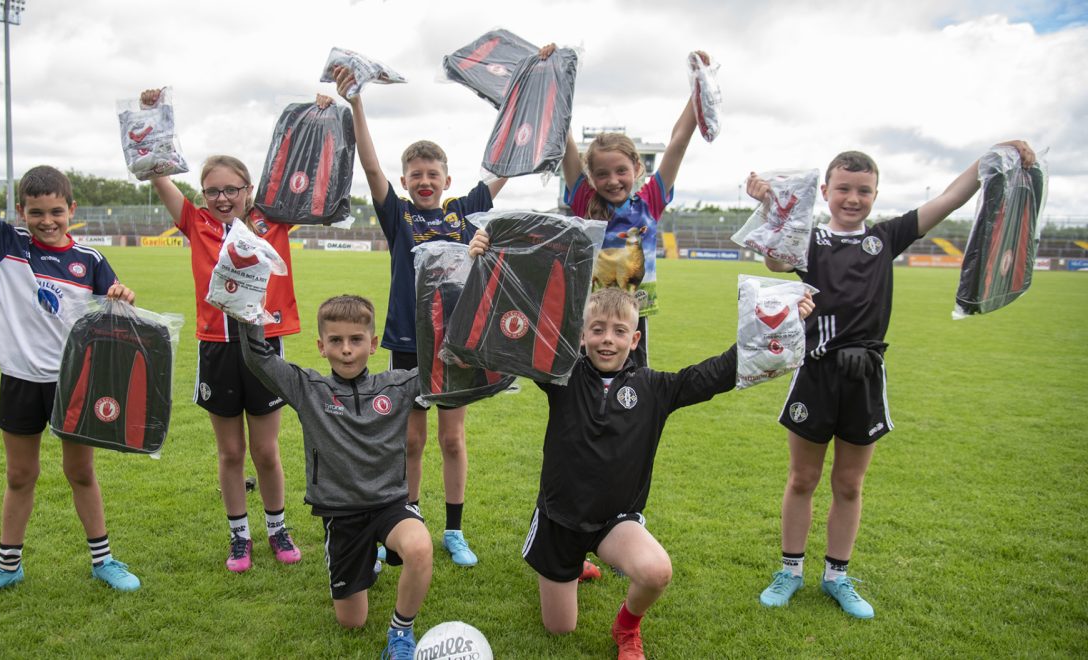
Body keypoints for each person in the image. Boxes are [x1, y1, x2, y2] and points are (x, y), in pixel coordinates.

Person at [471, 224, 814, 657]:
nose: (607, 339)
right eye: (596, 329)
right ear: (581, 334)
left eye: (618, 331)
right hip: (560, 519)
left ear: (634, 340)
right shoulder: (562, 375)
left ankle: (626, 628)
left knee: (655, 572)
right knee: (560, 630)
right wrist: (484, 259)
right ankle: (574, 564)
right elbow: (512, 325)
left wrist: (785, 319)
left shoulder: (656, 387)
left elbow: (717, 373)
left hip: (616, 520)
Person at [749, 140, 1037, 619]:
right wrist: (769, 205)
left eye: (863, 190)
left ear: (876, 195)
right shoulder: (810, 240)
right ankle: (790, 571)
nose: (853, 198)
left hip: (865, 376)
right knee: (803, 478)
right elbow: (774, 262)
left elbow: (949, 198)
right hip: (816, 375)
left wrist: (991, 159)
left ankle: (838, 576)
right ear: (825, 190)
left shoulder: (884, 238)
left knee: (849, 484)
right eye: (843, 188)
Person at [328, 46, 554, 567]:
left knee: (453, 439)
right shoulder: (398, 216)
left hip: (457, 344)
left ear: (447, 181)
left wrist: (526, 94)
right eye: (416, 175)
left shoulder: (467, 210)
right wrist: (356, 103)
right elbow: (368, 163)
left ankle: (453, 530)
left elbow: (506, 162)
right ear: (405, 182)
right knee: (410, 440)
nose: (424, 181)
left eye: (433, 174)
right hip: (409, 343)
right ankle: (407, 521)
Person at [0, 146, 141, 603]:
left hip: (72, 382)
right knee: (19, 475)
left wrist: (122, 294)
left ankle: (104, 561)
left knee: (81, 473)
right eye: (36, 212)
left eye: (56, 211)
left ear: (72, 210)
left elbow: (113, 306)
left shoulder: (89, 259)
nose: (47, 220)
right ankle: (7, 566)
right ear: (21, 212)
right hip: (19, 379)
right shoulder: (10, 243)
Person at [142, 88, 307, 572]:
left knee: (266, 450)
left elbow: (309, 182)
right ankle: (240, 537)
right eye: (213, 190)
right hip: (216, 347)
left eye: (232, 189)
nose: (222, 198)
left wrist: (318, 117)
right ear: (202, 194)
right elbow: (156, 169)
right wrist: (153, 114)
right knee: (231, 452)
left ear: (248, 190)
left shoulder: (270, 222)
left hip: (263, 346)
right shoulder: (194, 222)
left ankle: (278, 529)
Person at [236, 295, 433, 660]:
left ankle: (401, 633)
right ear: (321, 347)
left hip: (390, 506)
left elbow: (444, 368)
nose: (346, 350)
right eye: (336, 341)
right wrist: (247, 301)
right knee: (352, 621)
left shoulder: (397, 386)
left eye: (356, 340)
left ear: (373, 345)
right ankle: (365, 559)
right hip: (342, 516)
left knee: (420, 548)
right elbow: (257, 357)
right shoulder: (308, 389)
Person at [561, 51, 709, 369]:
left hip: (632, 319)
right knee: (580, 395)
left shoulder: (649, 201)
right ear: (590, 177)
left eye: (621, 171)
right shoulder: (583, 200)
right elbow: (565, 140)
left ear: (637, 167)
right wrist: (553, 78)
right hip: (589, 320)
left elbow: (678, 142)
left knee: (636, 397)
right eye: (602, 174)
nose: (612, 181)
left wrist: (701, 85)